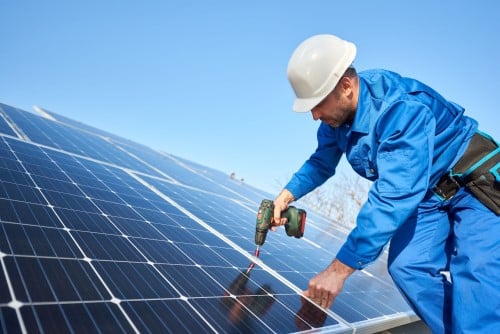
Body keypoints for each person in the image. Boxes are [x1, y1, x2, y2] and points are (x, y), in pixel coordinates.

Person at [272, 34, 500, 333]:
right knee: (407, 268)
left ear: (345, 87)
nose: (314, 115)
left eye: (317, 104)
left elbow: (395, 194)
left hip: (473, 183)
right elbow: (321, 162)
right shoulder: (337, 121)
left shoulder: (399, 108)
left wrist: (338, 271)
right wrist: (287, 194)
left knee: (477, 278)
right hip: (428, 196)